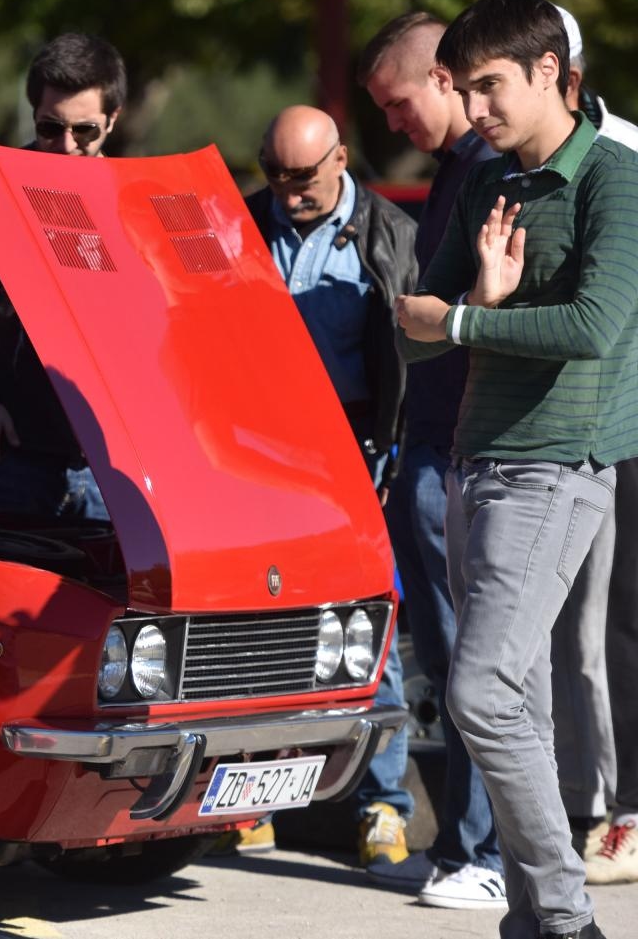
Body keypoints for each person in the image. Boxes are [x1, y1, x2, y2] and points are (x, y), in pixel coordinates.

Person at [396, 0, 638, 939]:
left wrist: (473, 316)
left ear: (553, 73)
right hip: (473, 464)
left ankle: (568, 918)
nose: (476, 109)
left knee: (480, 691)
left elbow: (593, 325)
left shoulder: (613, 178)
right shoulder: (492, 181)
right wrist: (462, 311)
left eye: (489, 87)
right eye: (463, 89)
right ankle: (535, 922)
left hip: (558, 469)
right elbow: (412, 329)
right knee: (519, 703)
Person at [240, 106, 418, 865]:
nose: (288, 192)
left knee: (366, 627)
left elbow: (410, 362)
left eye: (303, 177)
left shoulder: (391, 236)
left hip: (352, 445)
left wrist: (391, 454)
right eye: (274, 175)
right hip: (255, 446)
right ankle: (253, 795)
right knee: (252, 624)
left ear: (341, 159)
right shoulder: (243, 222)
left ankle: (384, 801)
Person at [358, 10, 506, 909]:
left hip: (460, 452)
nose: (393, 124)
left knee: (472, 664)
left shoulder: (493, 176)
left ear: (444, 80)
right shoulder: (459, 171)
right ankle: (464, 844)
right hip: (431, 444)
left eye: (399, 101)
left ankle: (481, 853)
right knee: (448, 660)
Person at [544, 4, 638, 882]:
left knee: (622, 624)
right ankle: (596, 808)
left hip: (623, 417)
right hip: (588, 427)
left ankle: (625, 813)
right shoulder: (525, 170)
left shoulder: (628, 159)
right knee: (588, 634)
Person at [0, 34, 120, 519]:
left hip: (105, 470)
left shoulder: (131, 205)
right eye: (51, 128)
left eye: (85, 131)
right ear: (33, 115)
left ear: (113, 121)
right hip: (8, 456)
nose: (67, 146)